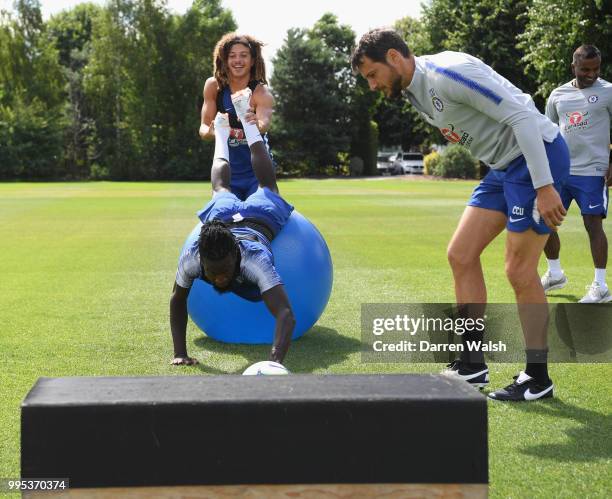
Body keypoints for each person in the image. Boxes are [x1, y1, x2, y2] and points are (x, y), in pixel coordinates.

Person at [352, 28, 570, 401]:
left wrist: (544, 185)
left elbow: (522, 115)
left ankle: (538, 377)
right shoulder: (412, 92)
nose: (372, 86)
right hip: (503, 168)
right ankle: (472, 363)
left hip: (537, 158)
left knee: (518, 270)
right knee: (461, 254)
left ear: (393, 57)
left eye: (372, 75)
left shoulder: (448, 74)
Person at [171, 90, 295, 367]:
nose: (219, 278)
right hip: (223, 220)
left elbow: (286, 313)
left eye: (225, 270)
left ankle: (247, 124)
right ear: (201, 258)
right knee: (220, 190)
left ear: (236, 255)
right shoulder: (193, 257)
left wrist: (274, 362)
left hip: (258, 220)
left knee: (266, 187)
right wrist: (180, 352)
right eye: (213, 272)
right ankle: (223, 130)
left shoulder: (255, 260)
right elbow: (177, 299)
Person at [540, 45, 612, 303]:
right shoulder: (557, 95)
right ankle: (555, 273)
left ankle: (601, 286)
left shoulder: (608, 92)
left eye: (596, 69)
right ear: (574, 67)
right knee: (544, 219)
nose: (591, 74)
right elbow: (547, 132)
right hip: (560, 172)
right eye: (585, 69)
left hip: (593, 171)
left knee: (593, 224)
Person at [199, 33, 275, 201]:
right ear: (225, 60)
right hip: (226, 174)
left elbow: (264, 124)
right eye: (232, 56)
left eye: (243, 55)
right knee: (223, 219)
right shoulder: (214, 86)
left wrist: (254, 123)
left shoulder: (260, 92)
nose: (238, 60)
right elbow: (203, 129)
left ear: (253, 60)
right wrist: (213, 131)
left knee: (261, 216)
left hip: (258, 175)